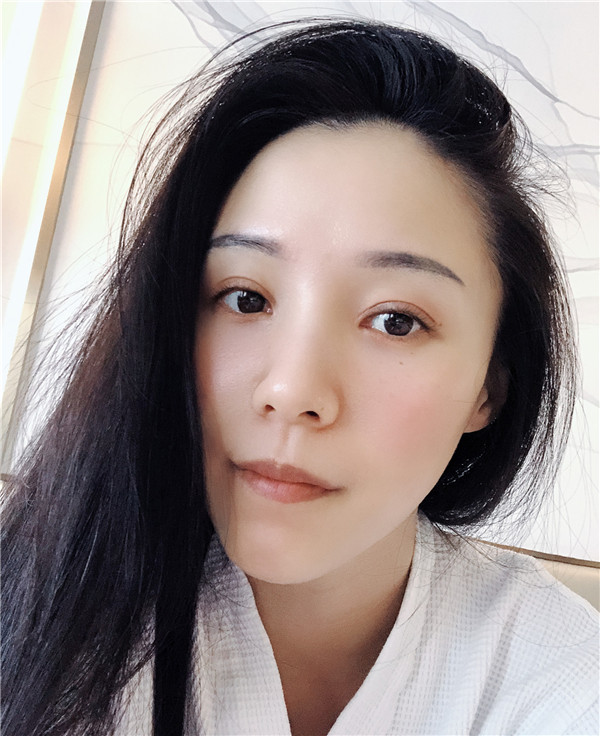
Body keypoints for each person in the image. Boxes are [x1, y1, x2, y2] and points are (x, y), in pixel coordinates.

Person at [2, 18, 598, 736]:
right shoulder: (40, 610)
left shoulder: (553, 669)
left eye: (396, 321)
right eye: (245, 299)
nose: (292, 391)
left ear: (489, 387)